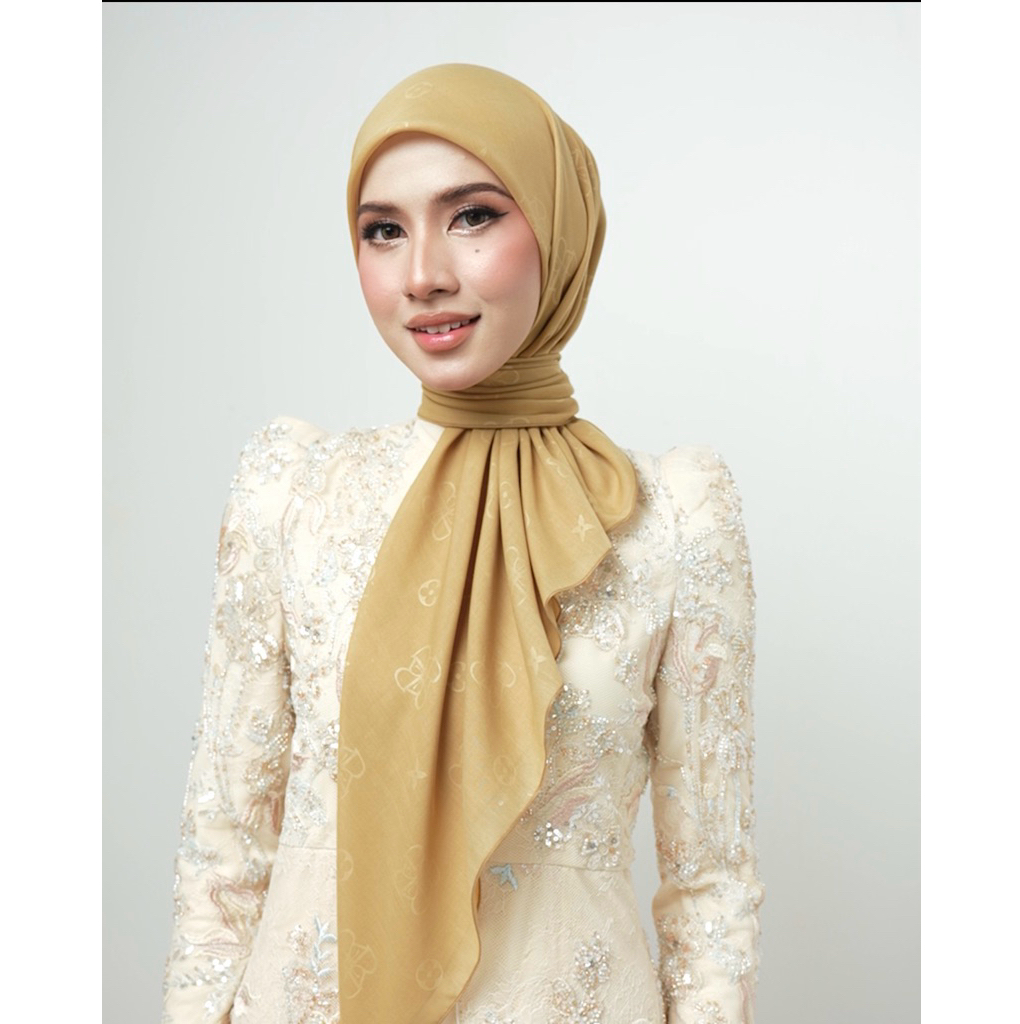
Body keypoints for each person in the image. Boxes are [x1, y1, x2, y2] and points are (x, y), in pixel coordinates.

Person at [162, 63, 764, 1024]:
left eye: (473, 215)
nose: (423, 275)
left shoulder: (676, 515)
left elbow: (710, 887)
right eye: (383, 230)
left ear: (560, 229)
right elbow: (223, 853)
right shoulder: (294, 493)